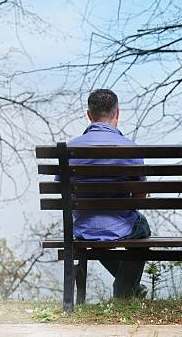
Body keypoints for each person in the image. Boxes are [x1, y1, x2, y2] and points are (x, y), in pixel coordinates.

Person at [63, 88, 150, 298]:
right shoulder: (130, 149)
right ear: (117, 113)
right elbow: (141, 196)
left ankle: (131, 290)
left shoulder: (69, 149)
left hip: (82, 228)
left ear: (89, 115)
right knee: (142, 229)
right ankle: (124, 293)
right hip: (120, 226)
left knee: (98, 233)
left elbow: (64, 191)